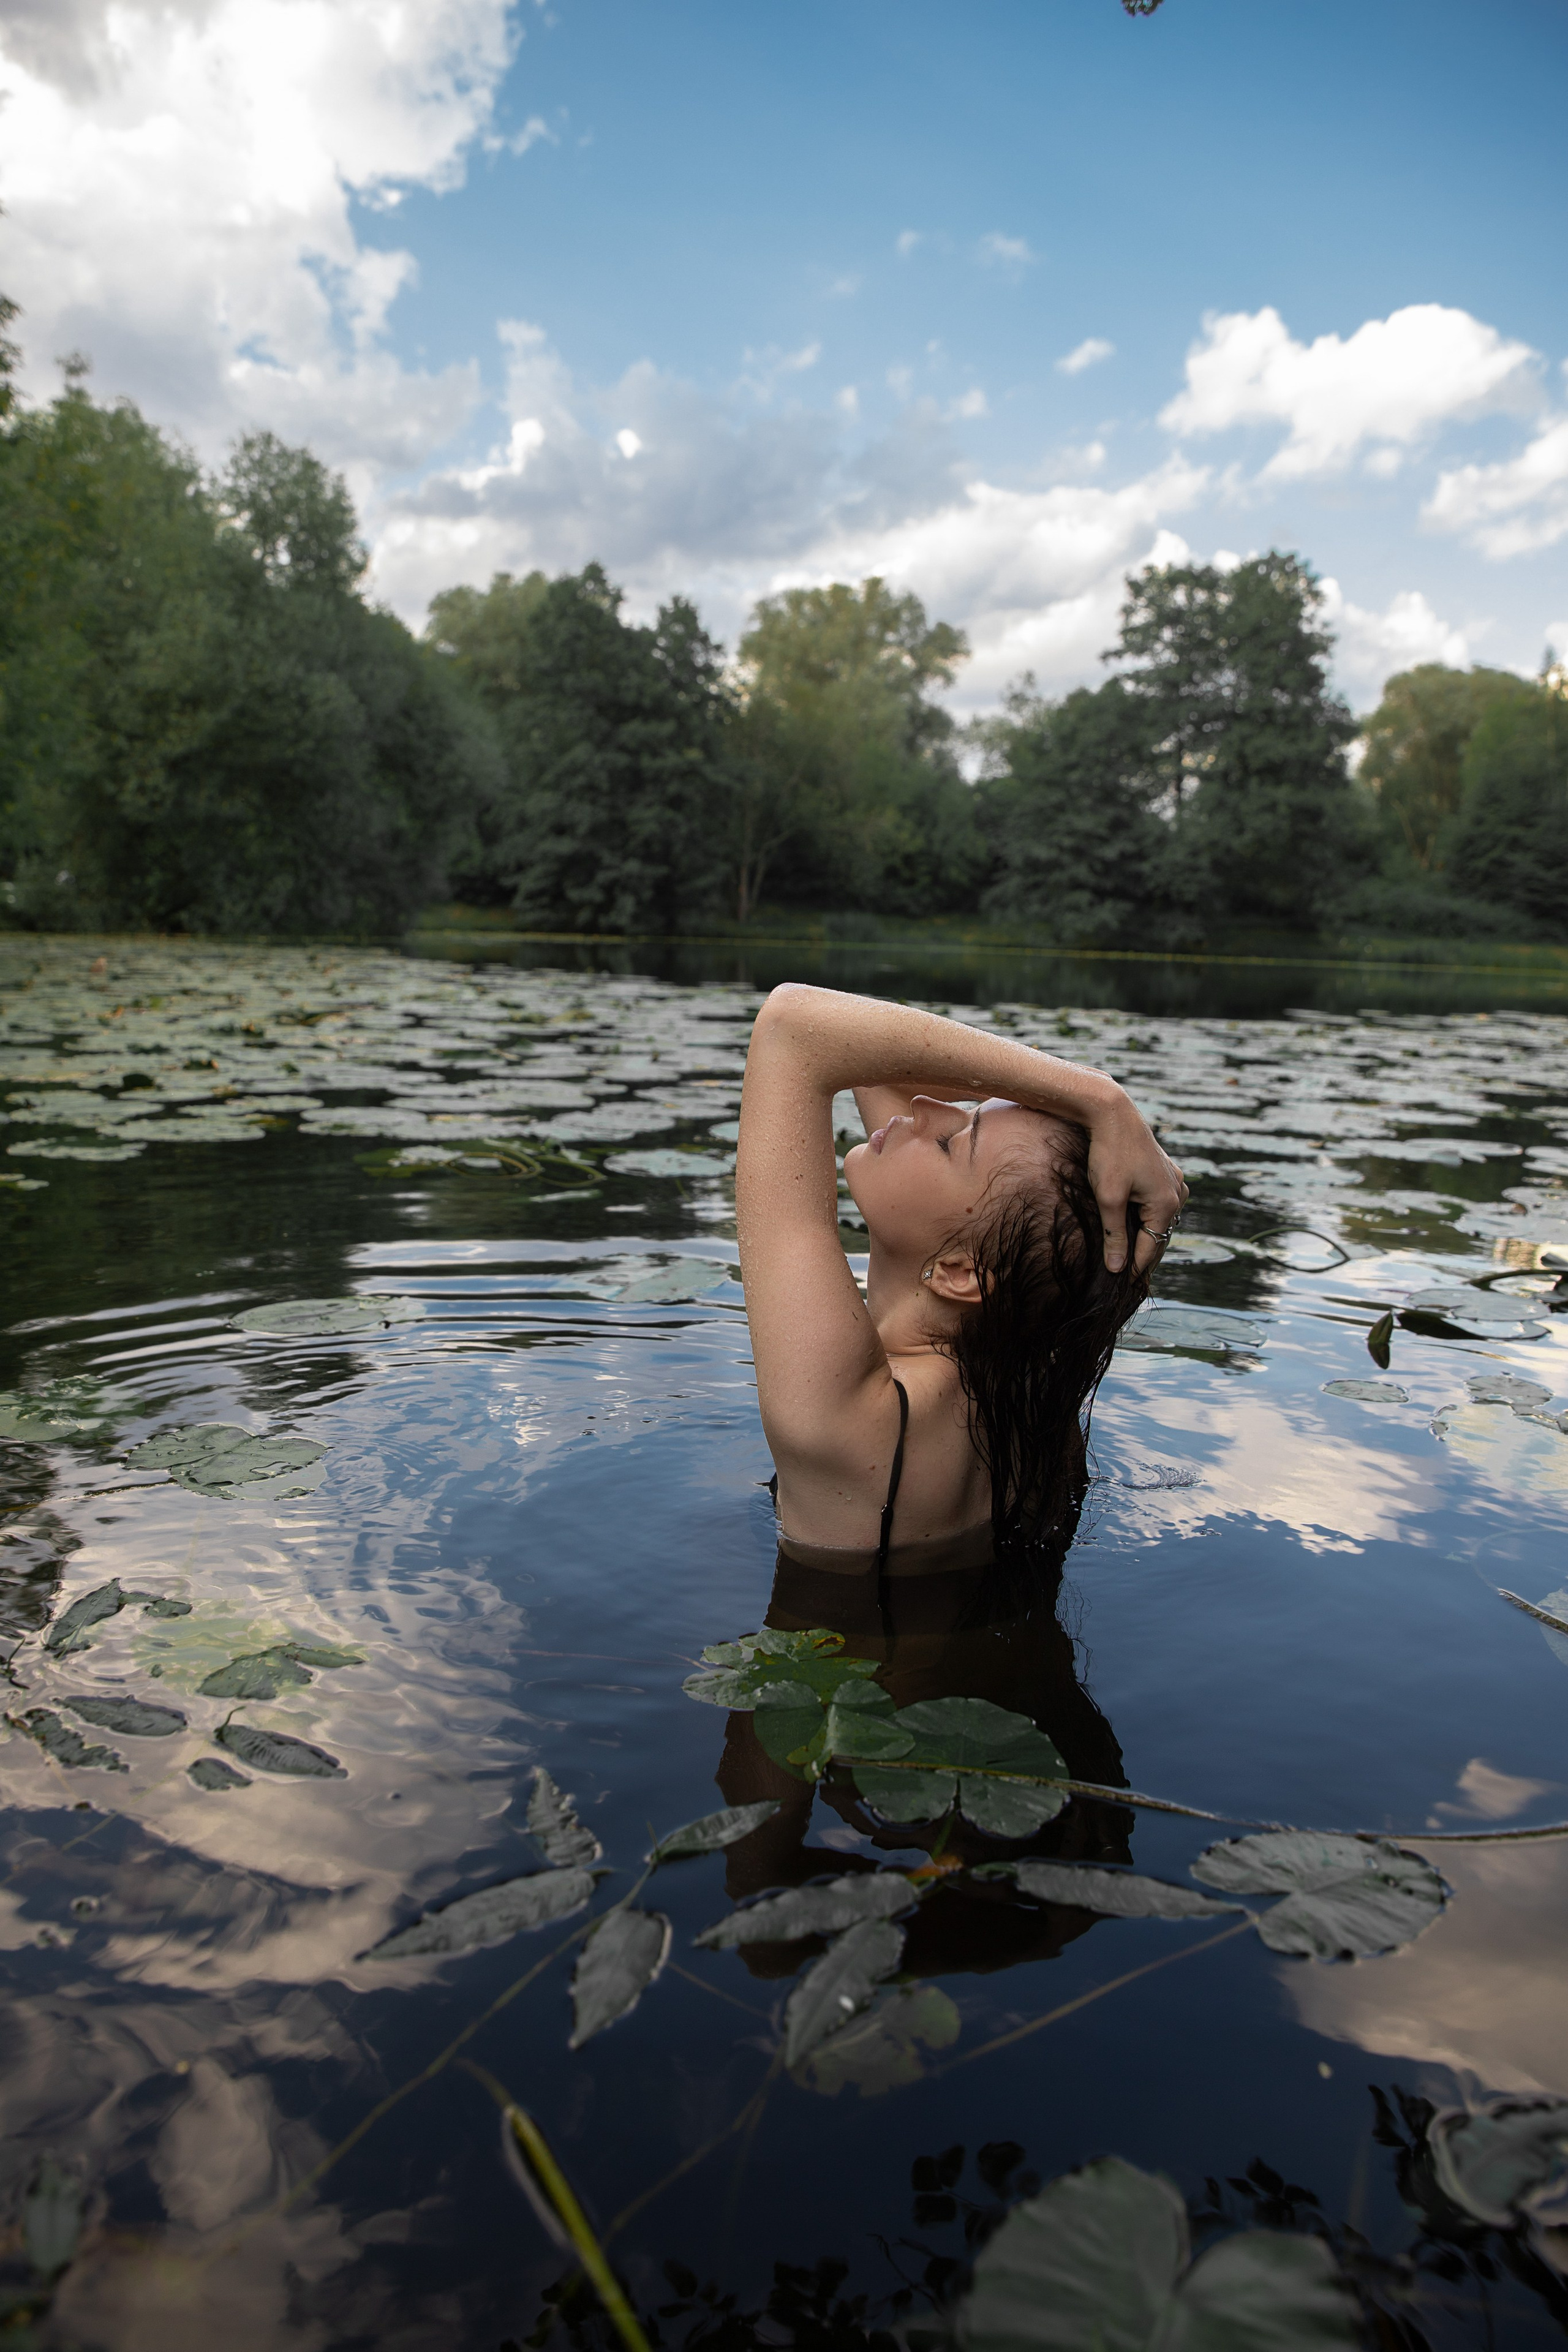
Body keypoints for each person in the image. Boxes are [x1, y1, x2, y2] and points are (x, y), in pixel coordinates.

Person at [737, 984, 1186, 1577]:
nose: (924, 1108)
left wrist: (1098, 1098)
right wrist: (1082, 1111)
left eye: (953, 1141)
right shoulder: (1025, 1382)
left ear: (958, 1273)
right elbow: (871, 1064)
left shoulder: (851, 1420)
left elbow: (792, 1029)